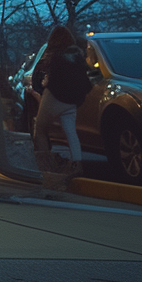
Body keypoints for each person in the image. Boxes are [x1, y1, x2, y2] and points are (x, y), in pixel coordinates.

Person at [31, 25, 92, 178]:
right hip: (72, 100)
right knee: (70, 132)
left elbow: (49, 78)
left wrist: (45, 84)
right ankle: (77, 164)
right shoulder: (77, 56)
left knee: (40, 129)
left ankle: (46, 167)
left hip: (55, 96)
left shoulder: (55, 55)